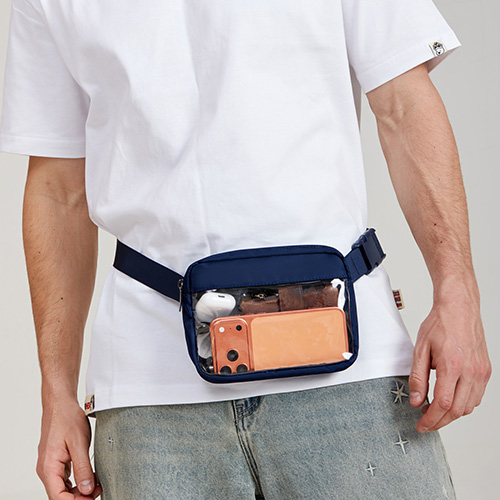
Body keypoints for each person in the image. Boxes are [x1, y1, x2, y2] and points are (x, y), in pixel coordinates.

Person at [0, 0, 491, 499]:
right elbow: (58, 187)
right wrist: (56, 392)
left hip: (346, 365)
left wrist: (458, 292)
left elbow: (404, 105)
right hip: (151, 395)